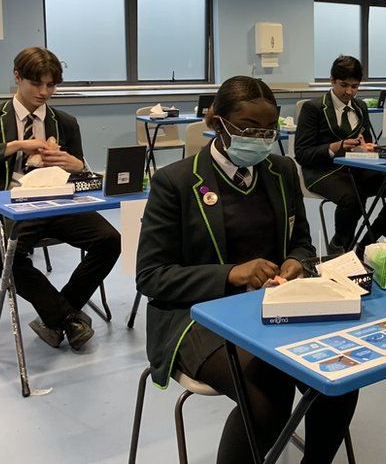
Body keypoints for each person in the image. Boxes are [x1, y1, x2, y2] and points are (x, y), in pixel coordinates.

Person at [136, 76, 357, 463]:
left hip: (275, 304)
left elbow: (302, 243)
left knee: (340, 376)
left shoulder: (282, 171)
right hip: (195, 315)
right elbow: (152, 276)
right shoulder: (176, 182)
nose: (261, 137)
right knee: (267, 394)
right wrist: (231, 274)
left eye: (269, 129)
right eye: (250, 129)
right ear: (216, 121)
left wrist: (296, 264)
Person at [0, 47, 120, 351]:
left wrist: (76, 165)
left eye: (51, 85)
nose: (44, 92)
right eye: (36, 84)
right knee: (0, 258)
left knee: (110, 239)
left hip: (57, 202)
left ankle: (58, 315)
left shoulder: (65, 122)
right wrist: (15, 145)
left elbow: (81, 175)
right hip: (6, 204)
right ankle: (68, 317)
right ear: (17, 77)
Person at [295, 55, 386, 254]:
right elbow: (302, 154)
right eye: (344, 85)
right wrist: (336, 146)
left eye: (355, 86)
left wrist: (368, 148)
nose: (349, 91)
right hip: (323, 171)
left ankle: (369, 246)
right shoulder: (314, 108)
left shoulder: (360, 107)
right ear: (332, 81)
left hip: (358, 168)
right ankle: (339, 249)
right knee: (353, 196)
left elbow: (367, 142)